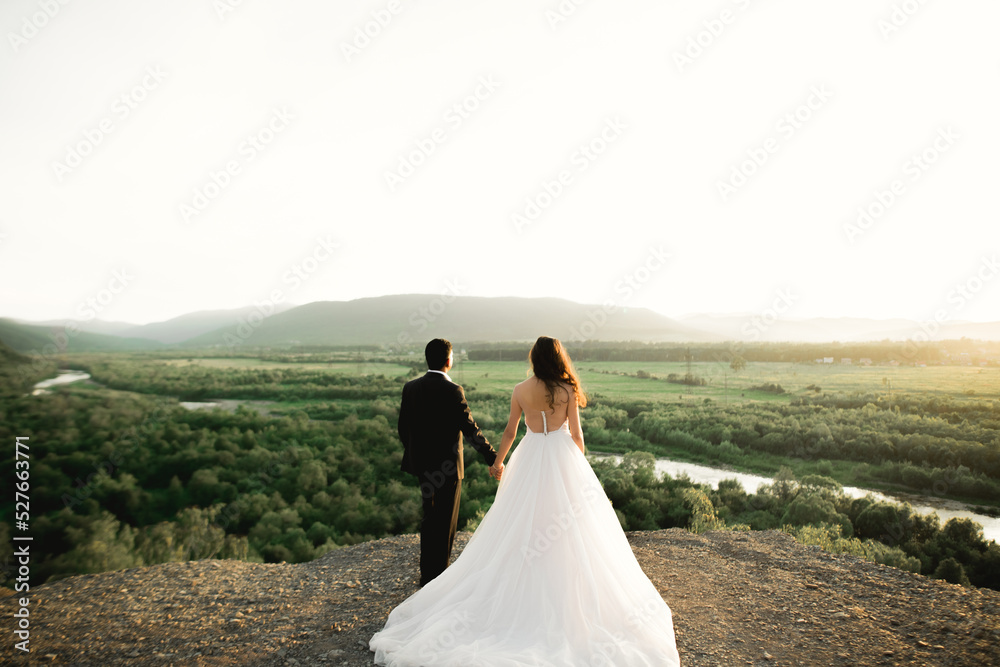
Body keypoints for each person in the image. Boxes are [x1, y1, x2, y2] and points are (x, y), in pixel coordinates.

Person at [370, 336, 681, 666]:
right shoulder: (567, 390)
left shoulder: (520, 389)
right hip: (562, 457)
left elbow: (509, 431)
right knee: (570, 527)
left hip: (530, 456)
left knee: (519, 523)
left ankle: (498, 587)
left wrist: (498, 462)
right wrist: (576, 467)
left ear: (534, 358)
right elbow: (577, 436)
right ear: (558, 359)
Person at [397, 338, 501, 586]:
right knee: (446, 523)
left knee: (429, 517)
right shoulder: (453, 391)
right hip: (448, 469)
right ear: (448, 361)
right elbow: (471, 430)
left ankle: (426, 576)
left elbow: (403, 428)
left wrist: (415, 454)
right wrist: (493, 458)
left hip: (422, 466)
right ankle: (438, 580)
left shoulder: (410, 388)